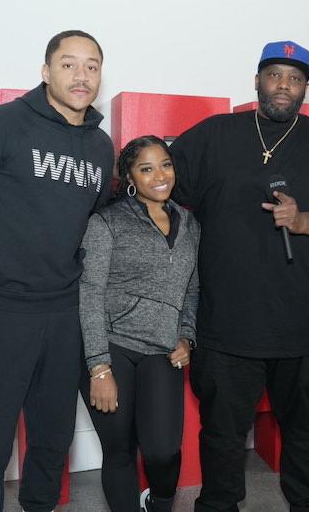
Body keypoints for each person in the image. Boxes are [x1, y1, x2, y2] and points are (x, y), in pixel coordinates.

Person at [169, 40, 309, 511]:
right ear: (257, 80)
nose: (284, 85)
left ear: (305, 88)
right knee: (221, 432)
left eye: (295, 79)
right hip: (226, 325)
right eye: (275, 75)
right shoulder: (214, 135)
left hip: (303, 325)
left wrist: (303, 221)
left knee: (303, 428)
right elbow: (158, 183)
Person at [0, 30, 114, 512]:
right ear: (45, 71)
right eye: (69, 63)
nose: (81, 75)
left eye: (92, 66)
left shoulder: (101, 146)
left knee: (53, 445)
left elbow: (90, 229)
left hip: (63, 315)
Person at [78, 135, 200, 512]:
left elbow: (192, 289)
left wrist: (187, 336)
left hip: (162, 351)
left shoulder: (189, 222)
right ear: (130, 176)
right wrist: (99, 368)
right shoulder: (107, 222)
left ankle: (159, 501)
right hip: (112, 348)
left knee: (163, 450)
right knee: (119, 452)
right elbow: (90, 292)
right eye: (146, 168)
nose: (159, 175)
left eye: (165, 164)